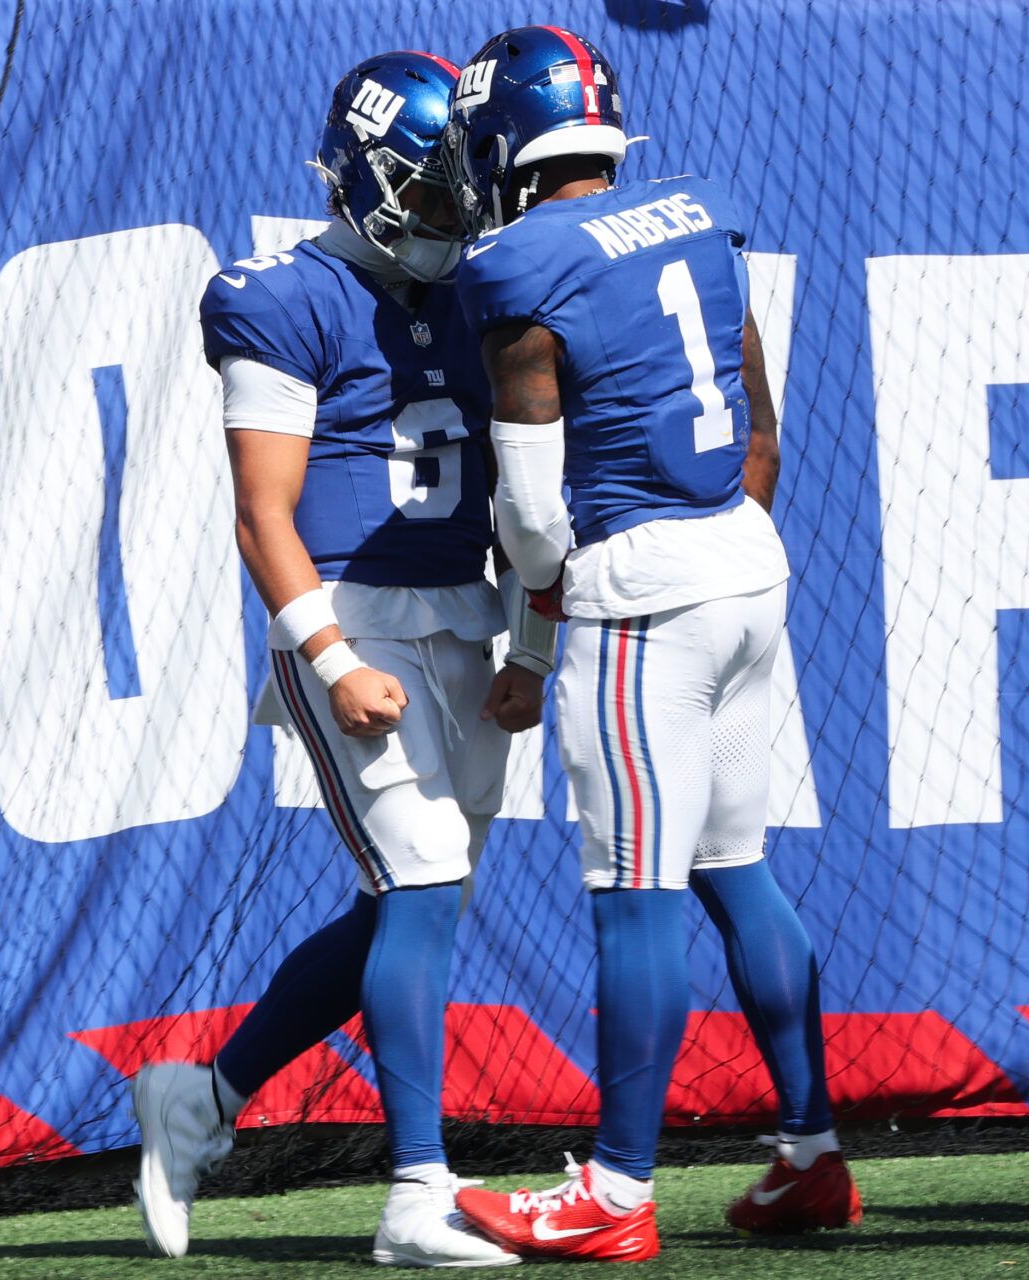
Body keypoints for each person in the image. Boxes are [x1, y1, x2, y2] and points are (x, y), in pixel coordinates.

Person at [436, 25, 858, 1262]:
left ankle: (616, 1192)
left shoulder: (519, 262)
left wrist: (544, 609)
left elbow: (527, 505)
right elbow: (757, 418)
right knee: (739, 865)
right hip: (743, 563)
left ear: (508, 137)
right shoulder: (697, 212)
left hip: (643, 593)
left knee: (636, 900)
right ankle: (812, 1153)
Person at [130, 50, 550, 1267]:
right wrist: (324, 654)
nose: (446, 220)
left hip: (465, 619)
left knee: (405, 902)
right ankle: (416, 1190)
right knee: (419, 880)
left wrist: (528, 637)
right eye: (425, 195)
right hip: (350, 620)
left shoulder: (483, 288)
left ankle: (201, 1096)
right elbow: (265, 510)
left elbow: (526, 489)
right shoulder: (277, 293)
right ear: (361, 178)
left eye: (459, 196)